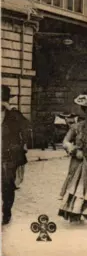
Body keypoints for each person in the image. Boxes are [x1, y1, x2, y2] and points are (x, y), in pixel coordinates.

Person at [1, 85, 29, 225]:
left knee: (7, 185)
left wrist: (21, 146)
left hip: (8, 156)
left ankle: (6, 212)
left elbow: (26, 129)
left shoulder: (14, 114)